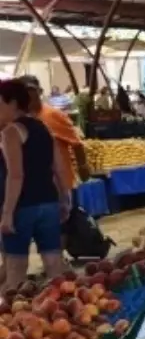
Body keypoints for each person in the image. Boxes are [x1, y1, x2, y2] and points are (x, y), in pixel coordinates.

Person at [0, 80, 71, 289]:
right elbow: (58, 169)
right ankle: (63, 310)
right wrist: (65, 199)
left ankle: (9, 319)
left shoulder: (11, 132)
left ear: (12, 103)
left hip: (22, 207)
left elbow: (16, 176)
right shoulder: (44, 128)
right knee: (54, 266)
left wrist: (7, 213)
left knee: (15, 271)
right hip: (48, 203)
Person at [16, 76, 87, 191]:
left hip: (60, 185)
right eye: (24, 92)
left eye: (32, 91)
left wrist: (83, 167)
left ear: (40, 92)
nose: (29, 96)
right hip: (30, 187)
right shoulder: (15, 118)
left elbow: (77, 144)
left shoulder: (54, 115)